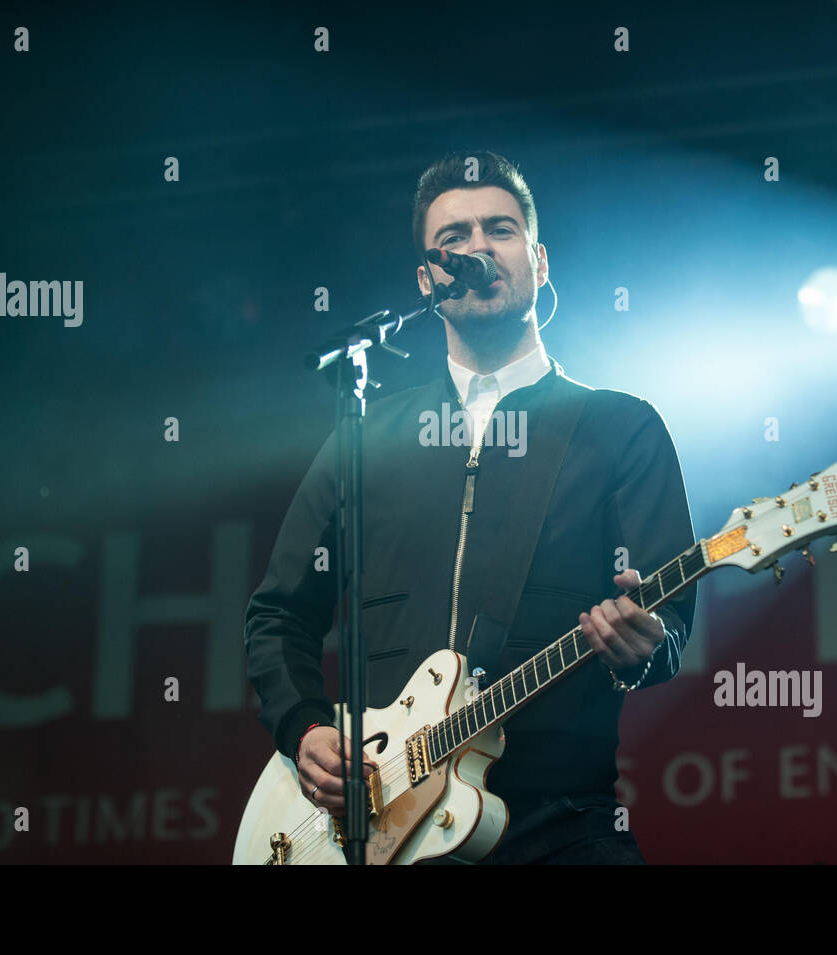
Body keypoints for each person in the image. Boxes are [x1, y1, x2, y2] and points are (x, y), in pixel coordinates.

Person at [244, 151, 696, 864]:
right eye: (453, 239)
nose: (477, 248)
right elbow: (277, 615)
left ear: (539, 261)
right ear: (427, 280)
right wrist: (304, 727)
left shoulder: (620, 427)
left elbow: (668, 625)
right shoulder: (366, 436)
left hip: (559, 823)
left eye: (500, 229)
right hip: (376, 824)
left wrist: (644, 647)